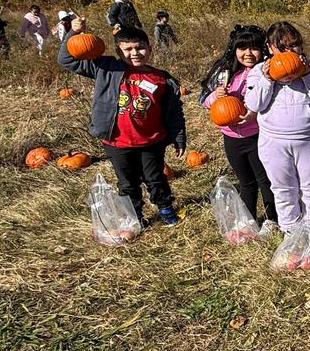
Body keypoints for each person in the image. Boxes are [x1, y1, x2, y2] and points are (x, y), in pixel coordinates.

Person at [59, 18, 186, 225]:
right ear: (118, 51)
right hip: (117, 142)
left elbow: (174, 111)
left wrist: (179, 136)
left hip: (151, 141)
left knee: (156, 178)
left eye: (140, 48)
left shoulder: (161, 78)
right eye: (128, 49)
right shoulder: (106, 68)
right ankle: (134, 216)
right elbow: (67, 60)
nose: (135, 53)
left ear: (149, 49)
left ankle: (165, 208)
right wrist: (73, 34)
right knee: (128, 183)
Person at [244, 22, 310, 232]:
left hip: (308, 140)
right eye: (282, 48)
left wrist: (306, 74)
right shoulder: (258, 71)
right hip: (273, 141)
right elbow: (254, 104)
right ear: (270, 48)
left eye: (294, 46)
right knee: (283, 188)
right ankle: (290, 228)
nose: (289, 52)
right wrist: (268, 79)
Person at [200, 25, 277, 229]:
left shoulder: (266, 72)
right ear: (234, 49)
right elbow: (204, 99)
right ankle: (248, 219)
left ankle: (272, 219)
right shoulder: (225, 72)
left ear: (263, 50)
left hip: (258, 135)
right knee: (245, 181)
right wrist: (215, 97)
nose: (248, 53)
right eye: (242, 48)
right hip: (231, 136)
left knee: (264, 180)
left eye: (254, 48)